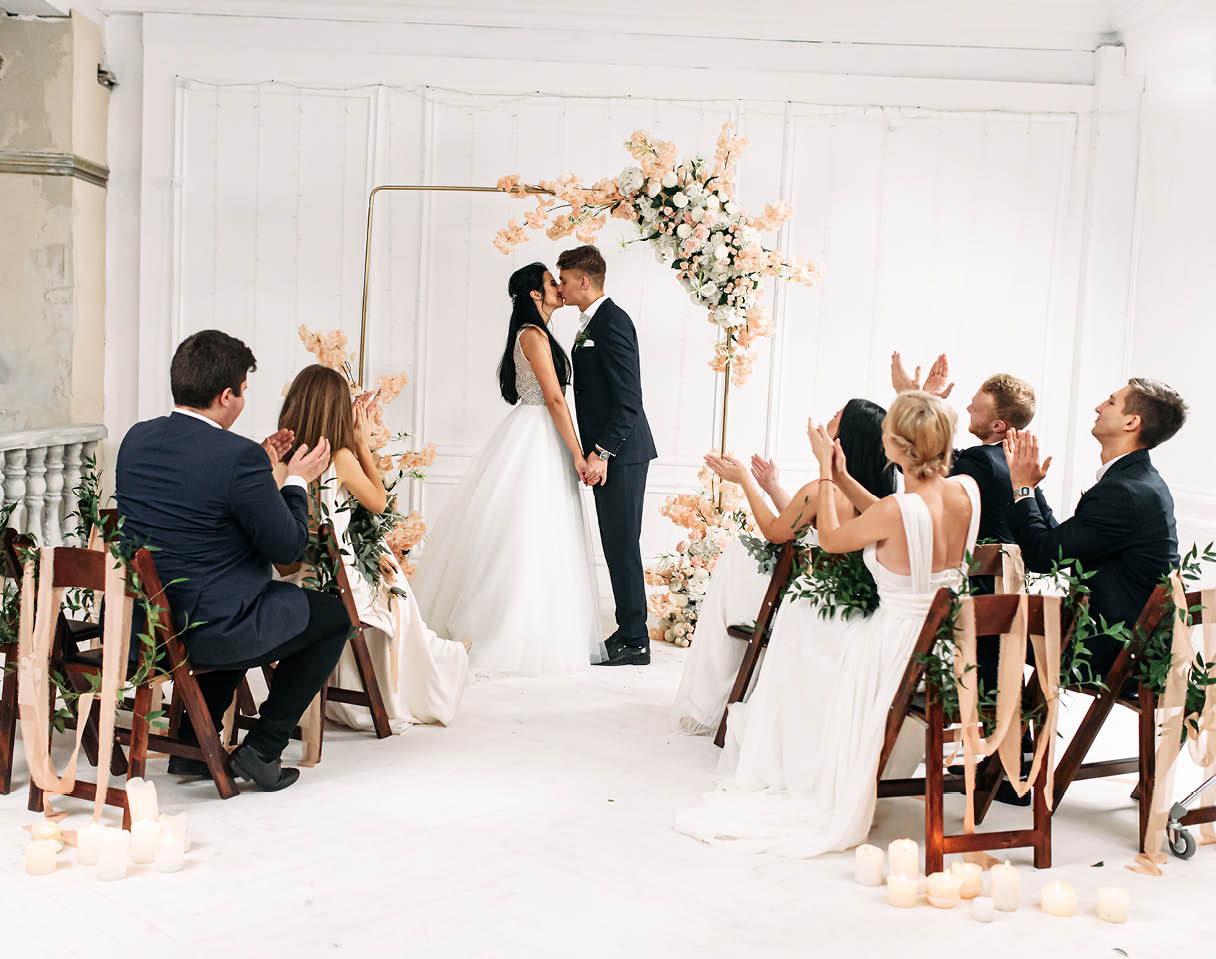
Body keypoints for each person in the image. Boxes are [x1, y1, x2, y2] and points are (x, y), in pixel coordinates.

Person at [675, 392, 980, 857]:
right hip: (946, 649)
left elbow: (834, 540)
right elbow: (888, 510)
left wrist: (824, 469)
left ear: (897, 448)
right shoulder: (966, 492)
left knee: (810, 635)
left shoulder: (895, 510)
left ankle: (802, 755)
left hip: (892, 649)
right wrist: (840, 477)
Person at [115, 330, 341, 791]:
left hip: (148, 627)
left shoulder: (136, 440)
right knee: (333, 618)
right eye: (242, 389)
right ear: (226, 396)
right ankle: (263, 749)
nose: (242, 399)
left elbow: (194, 504)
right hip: (209, 631)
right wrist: (295, 481)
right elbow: (287, 548)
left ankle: (193, 745)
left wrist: (259, 464)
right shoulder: (236, 458)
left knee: (239, 592)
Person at [411, 263, 605, 676]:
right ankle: (505, 628)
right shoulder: (532, 336)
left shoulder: (540, 333)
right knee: (524, 531)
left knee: (539, 531)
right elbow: (554, 399)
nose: (558, 287)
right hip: (537, 434)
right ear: (535, 294)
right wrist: (577, 453)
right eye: (551, 283)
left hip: (538, 434)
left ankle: (542, 624)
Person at [671, 399, 895, 735]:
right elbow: (808, 526)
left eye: (836, 416)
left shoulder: (824, 490)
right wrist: (773, 488)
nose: (828, 418)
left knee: (735, 558)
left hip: (804, 603)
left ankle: (710, 698)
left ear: (844, 438)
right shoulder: (878, 496)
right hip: (845, 603)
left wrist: (744, 480)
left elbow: (776, 532)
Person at [275, 364, 468, 730]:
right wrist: (361, 442)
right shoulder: (340, 458)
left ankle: (436, 653)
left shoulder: (278, 460)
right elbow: (379, 503)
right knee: (395, 587)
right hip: (339, 582)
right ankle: (431, 665)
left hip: (299, 576)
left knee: (389, 575)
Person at [1005, 378, 1186, 680]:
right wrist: (1031, 488)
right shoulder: (1138, 481)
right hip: (1135, 644)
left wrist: (1021, 488)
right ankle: (1015, 727)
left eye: (1111, 401)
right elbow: (1059, 543)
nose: (1098, 407)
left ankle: (1001, 728)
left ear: (1131, 421)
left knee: (980, 628)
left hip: (1109, 650)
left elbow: (1041, 557)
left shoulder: (1125, 492)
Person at [559, 245, 658, 666]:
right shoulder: (593, 322)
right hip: (612, 452)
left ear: (584, 280)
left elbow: (630, 400)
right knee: (617, 545)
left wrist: (601, 452)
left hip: (623, 452)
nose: (560, 287)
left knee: (622, 545)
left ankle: (636, 640)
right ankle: (628, 631)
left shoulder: (613, 322)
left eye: (563, 279)